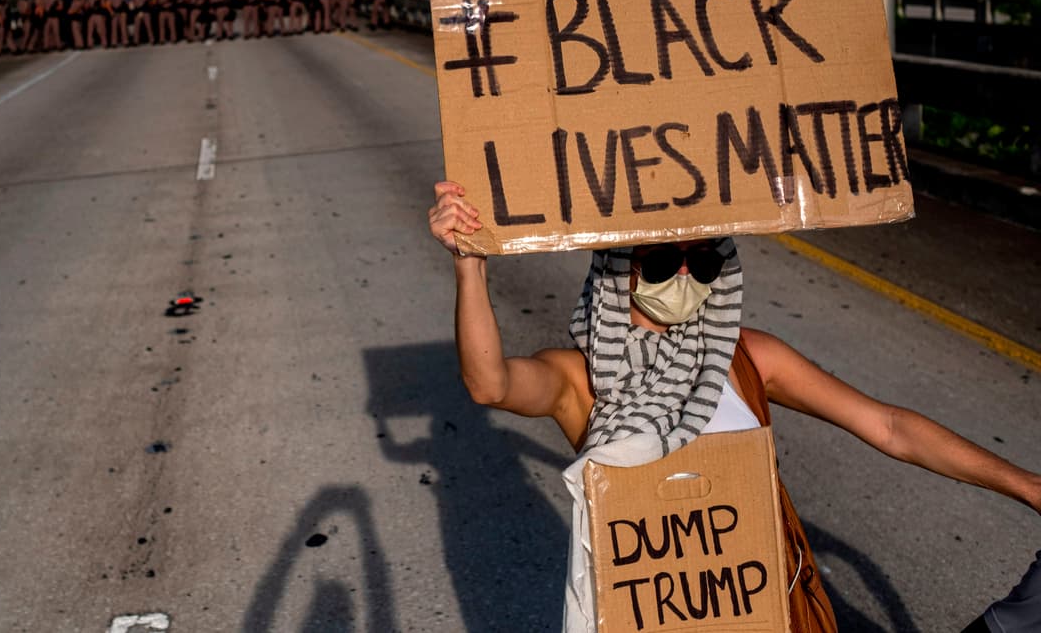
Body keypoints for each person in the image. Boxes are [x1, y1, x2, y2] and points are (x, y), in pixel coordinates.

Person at [427, 180, 1041, 633]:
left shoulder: (746, 359)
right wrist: (470, 271)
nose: (686, 278)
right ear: (620, 271)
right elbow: (490, 385)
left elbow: (888, 426)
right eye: (665, 262)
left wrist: (1029, 486)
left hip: (769, 612)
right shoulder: (580, 380)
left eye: (706, 261)